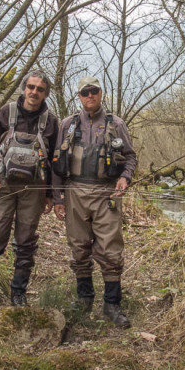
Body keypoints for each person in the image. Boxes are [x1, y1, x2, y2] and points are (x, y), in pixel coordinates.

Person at [0, 70, 59, 309]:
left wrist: (50, 194)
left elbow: (56, 162)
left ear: (46, 93)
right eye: (31, 87)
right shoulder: (7, 112)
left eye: (39, 89)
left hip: (34, 189)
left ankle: (18, 294)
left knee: (26, 242)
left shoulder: (51, 121)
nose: (34, 92)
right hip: (4, 186)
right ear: (23, 88)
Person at [52, 76, 137, 328]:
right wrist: (58, 197)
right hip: (74, 192)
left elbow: (131, 157)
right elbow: (56, 164)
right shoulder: (68, 125)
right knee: (78, 246)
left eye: (94, 91)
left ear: (101, 93)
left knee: (111, 248)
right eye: (84, 92)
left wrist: (125, 178)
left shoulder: (116, 124)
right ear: (78, 96)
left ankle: (112, 304)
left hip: (106, 193)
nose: (90, 95)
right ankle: (84, 298)